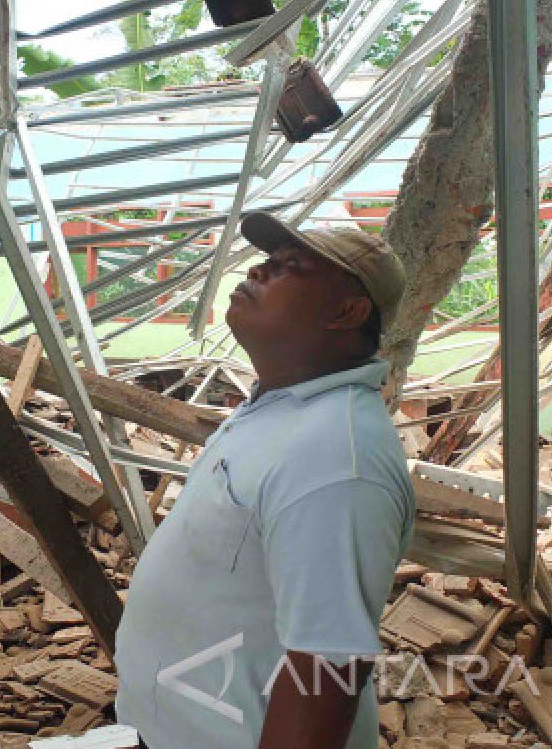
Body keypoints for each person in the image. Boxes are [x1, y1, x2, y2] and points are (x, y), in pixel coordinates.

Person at [114, 212, 416, 749]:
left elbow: (327, 669)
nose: (258, 270)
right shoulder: (279, 410)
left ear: (348, 311)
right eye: (267, 260)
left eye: (289, 267)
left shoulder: (336, 458)